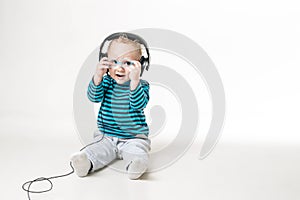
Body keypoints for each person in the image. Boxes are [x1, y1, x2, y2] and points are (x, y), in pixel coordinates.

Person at [70, 33, 151, 180]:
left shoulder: (141, 85)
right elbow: (93, 97)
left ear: (141, 65)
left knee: (137, 150)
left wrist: (134, 82)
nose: (120, 68)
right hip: (107, 136)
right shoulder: (107, 82)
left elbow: (138, 104)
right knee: (97, 150)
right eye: (114, 62)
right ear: (105, 61)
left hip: (133, 137)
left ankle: (136, 164)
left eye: (128, 63)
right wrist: (98, 76)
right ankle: (85, 162)